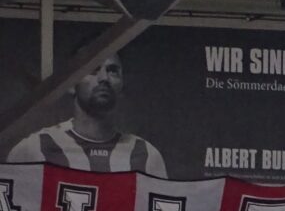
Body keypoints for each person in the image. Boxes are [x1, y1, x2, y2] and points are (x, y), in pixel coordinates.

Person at [6, 53, 167, 174]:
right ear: (70, 83)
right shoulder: (35, 149)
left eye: (112, 71)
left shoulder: (146, 155)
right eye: (93, 70)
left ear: (122, 85)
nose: (104, 78)